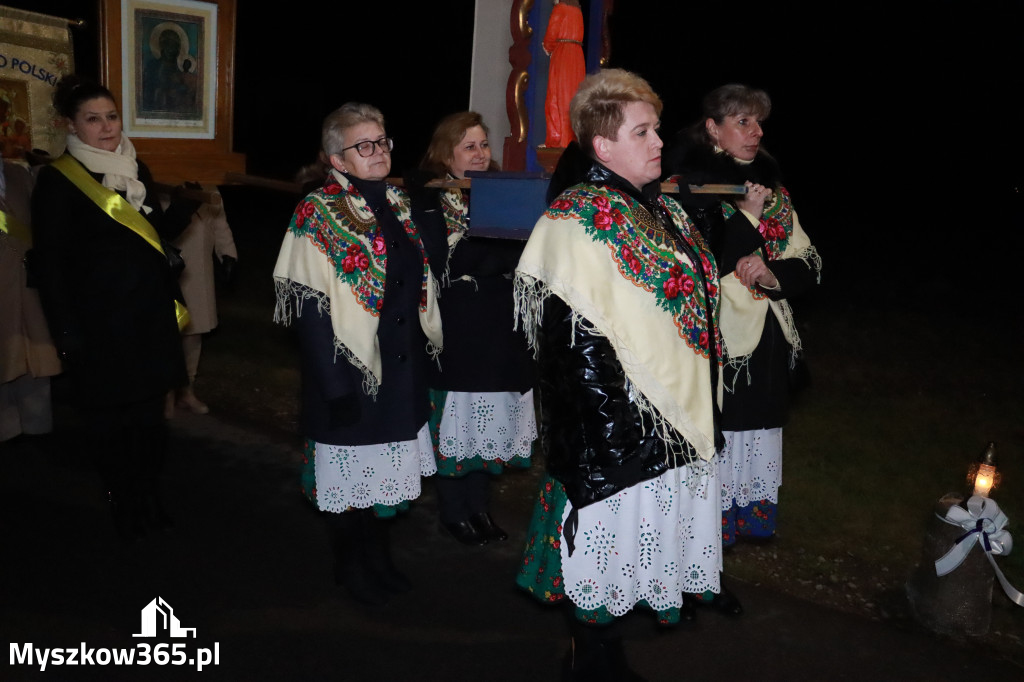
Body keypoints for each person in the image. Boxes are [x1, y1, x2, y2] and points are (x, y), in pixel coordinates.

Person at [514, 69, 724, 680]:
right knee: (603, 561)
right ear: (602, 146)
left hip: (670, 420)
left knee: (635, 558)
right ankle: (591, 661)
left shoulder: (666, 213)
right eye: (642, 131)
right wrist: (615, 435)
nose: (659, 141)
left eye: (656, 128)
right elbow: (573, 346)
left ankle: (605, 657)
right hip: (616, 432)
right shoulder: (576, 219)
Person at [273, 103, 443, 607]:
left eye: (383, 141)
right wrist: (333, 387)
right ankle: (352, 564)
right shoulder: (318, 212)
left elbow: (423, 275)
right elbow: (308, 306)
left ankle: (380, 558)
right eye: (364, 145)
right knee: (351, 481)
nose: (378, 151)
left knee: (383, 477)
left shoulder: (398, 203)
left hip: (399, 368)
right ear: (337, 159)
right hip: (348, 371)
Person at [665, 84, 822, 597]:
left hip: (769, 339)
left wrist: (774, 274)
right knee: (720, 443)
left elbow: (808, 258)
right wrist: (749, 222)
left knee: (754, 436)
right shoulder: (687, 186)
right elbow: (698, 259)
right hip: (717, 344)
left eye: (758, 123)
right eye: (742, 122)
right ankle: (698, 564)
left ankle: (727, 556)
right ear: (712, 128)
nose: (755, 133)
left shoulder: (770, 188)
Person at [28, 75, 197, 542]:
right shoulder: (58, 180)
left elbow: (152, 237)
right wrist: (66, 333)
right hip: (99, 325)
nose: (106, 128)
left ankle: (148, 494)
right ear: (72, 125)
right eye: (93, 119)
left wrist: (181, 210)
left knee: (149, 422)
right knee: (110, 426)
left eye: (112, 116)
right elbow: (51, 264)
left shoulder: (133, 168)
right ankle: (122, 500)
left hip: (147, 317)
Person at [409, 112, 537, 546]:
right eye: (469, 146)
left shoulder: (504, 194)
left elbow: (525, 256)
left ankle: (480, 509)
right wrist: (494, 251)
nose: (481, 154)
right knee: (459, 423)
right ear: (446, 153)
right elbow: (448, 261)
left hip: (503, 326)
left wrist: (489, 254)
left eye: (484, 145)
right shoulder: (430, 195)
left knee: (491, 423)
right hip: (461, 329)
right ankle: (454, 512)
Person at [1, 153, 61, 442]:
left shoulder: (19, 174)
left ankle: (38, 427)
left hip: (29, 280)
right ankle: (7, 429)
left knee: (37, 354)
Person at [165, 185, 238, 417]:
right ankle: (165, 394)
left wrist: (228, 253)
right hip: (170, 259)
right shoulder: (160, 179)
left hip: (199, 263)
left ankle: (187, 391)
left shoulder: (209, 182)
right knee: (168, 328)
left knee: (194, 329)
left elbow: (219, 221)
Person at [542, 0, 586, 149]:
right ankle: (571, 139)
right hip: (577, 56)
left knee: (556, 96)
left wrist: (548, 47)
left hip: (562, 54)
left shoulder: (560, 8)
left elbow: (551, 34)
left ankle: (556, 140)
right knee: (574, 96)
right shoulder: (578, 10)